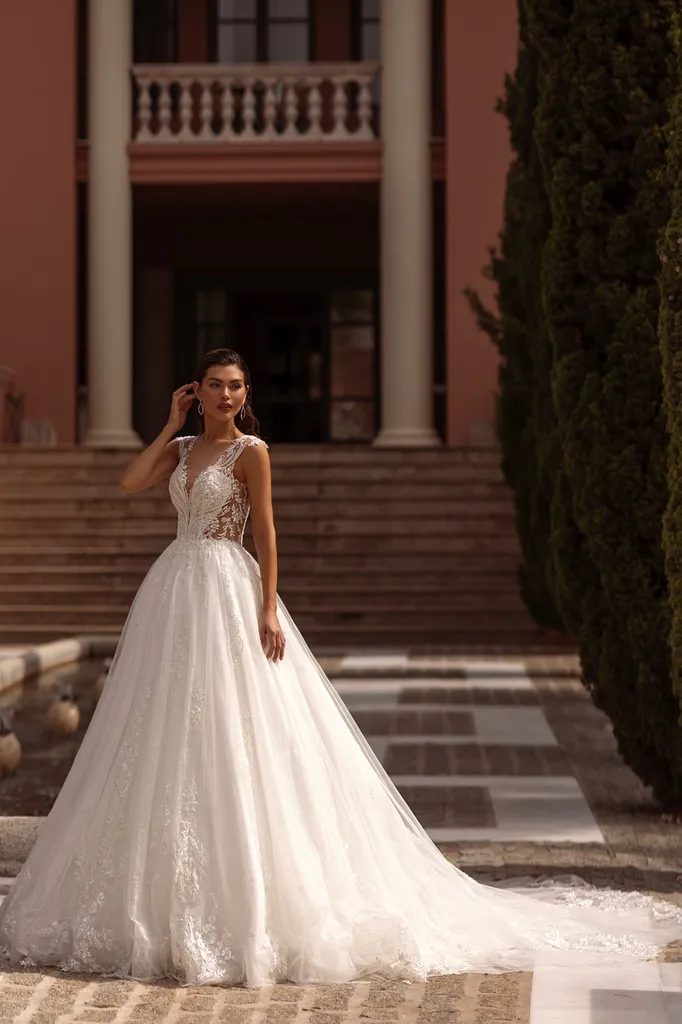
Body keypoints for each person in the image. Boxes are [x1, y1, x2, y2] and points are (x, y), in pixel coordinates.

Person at [1, 347, 681, 988]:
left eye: (236, 386)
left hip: (225, 591)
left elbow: (265, 534)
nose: (227, 395)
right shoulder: (182, 447)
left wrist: (267, 611)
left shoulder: (250, 452)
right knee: (163, 726)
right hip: (172, 590)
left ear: (246, 395)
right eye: (215, 385)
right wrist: (169, 425)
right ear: (197, 390)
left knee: (237, 725)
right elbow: (127, 482)